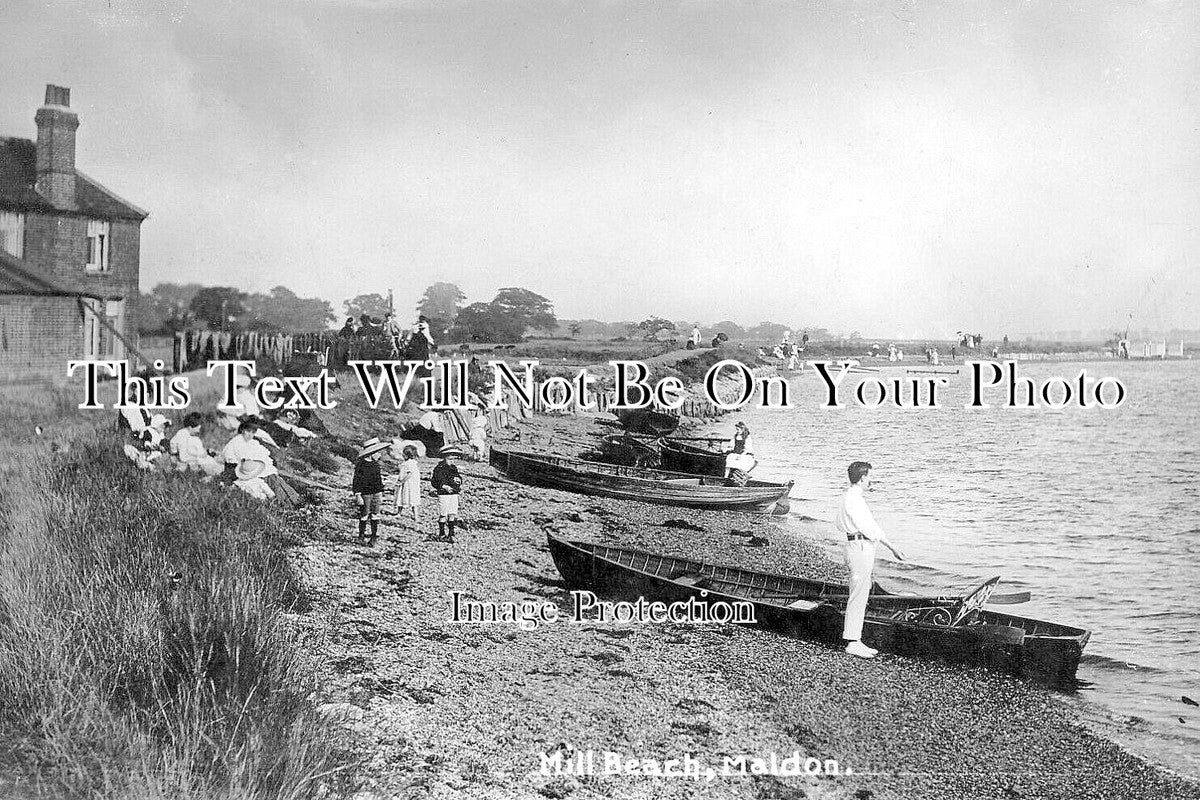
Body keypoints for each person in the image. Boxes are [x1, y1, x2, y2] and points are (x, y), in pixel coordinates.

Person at [835, 461, 905, 659]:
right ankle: (852, 641)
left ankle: (855, 639)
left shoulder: (850, 496)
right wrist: (892, 547)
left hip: (856, 546)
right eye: (869, 477)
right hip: (860, 547)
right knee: (858, 594)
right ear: (863, 478)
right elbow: (870, 527)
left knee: (860, 592)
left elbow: (845, 523)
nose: (871, 481)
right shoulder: (854, 499)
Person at [353, 437, 390, 544]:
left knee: (375, 514)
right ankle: (361, 536)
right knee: (364, 514)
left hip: (376, 493)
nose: (379, 454)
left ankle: (373, 537)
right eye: (378, 452)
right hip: (365, 494)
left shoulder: (376, 465)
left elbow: (378, 481)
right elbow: (356, 481)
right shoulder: (361, 465)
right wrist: (357, 495)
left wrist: (381, 493)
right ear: (371, 453)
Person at [170, 412, 223, 477]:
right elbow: (183, 457)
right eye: (197, 427)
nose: (199, 430)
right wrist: (200, 455)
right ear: (190, 427)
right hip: (184, 464)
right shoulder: (182, 435)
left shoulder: (188, 435)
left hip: (190, 461)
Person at [431, 446, 463, 541]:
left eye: (453, 459)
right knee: (443, 514)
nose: (451, 461)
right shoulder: (439, 468)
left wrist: (459, 480)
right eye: (449, 459)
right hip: (444, 494)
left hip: (453, 493)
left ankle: (451, 534)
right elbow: (434, 481)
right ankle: (441, 534)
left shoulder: (454, 468)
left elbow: (458, 477)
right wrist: (443, 486)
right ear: (444, 458)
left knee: (452, 513)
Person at [393, 444, 422, 524]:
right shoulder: (407, 463)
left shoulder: (410, 463)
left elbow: (409, 474)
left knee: (412, 499)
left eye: (404, 454)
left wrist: (401, 481)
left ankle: (416, 516)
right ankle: (399, 513)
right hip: (406, 483)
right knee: (401, 496)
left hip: (409, 484)